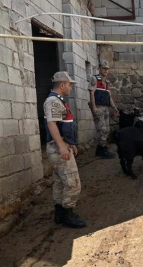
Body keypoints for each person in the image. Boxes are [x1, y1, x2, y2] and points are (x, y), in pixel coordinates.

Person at [44, 71, 87, 228]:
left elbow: (63, 126)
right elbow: (52, 124)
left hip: (61, 147)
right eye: (69, 85)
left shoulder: (59, 101)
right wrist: (62, 147)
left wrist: (71, 144)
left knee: (60, 182)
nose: (71, 88)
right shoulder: (53, 102)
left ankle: (60, 214)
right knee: (72, 183)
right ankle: (67, 214)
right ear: (62, 85)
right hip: (58, 149)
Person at [88, 60, 119, 159]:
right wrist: (94, 107)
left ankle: (100, 149)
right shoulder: (95, 79)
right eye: (104, 68)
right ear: (100, 68)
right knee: (102, 129)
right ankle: (102, 149)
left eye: (107, 69)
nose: (106, 70)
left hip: (106, 108)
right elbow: (92, 93)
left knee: (107, 130)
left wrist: (114, 107)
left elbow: (109, 97)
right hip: (99, 107)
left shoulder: (106, 82)